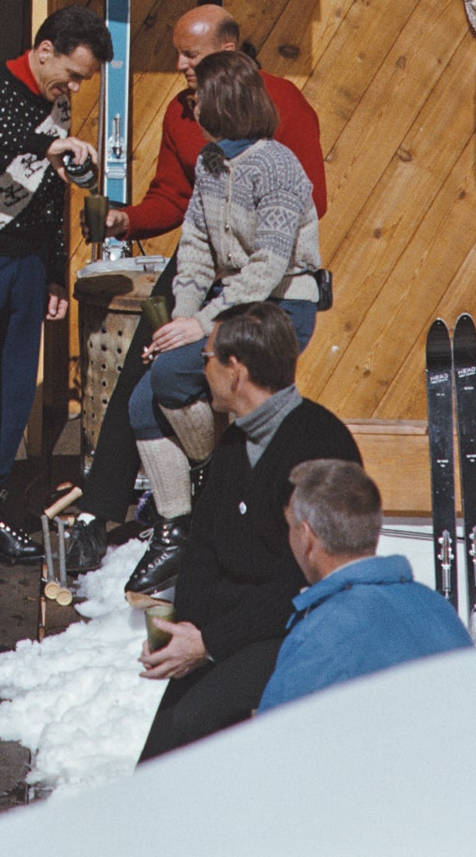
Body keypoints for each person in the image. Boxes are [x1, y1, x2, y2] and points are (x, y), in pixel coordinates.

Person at [68, 6, 326, 577]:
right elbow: (179, 209)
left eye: (191, 54)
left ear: (228, 52)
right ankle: (114, 512)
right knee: (146, 368)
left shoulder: (283, 113)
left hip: (266, 279)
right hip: (208, 268)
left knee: (200, 377)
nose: (181, 65)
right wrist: (128, 224)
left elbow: (291, 226)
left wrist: (208, 315)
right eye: (179, 53)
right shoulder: (192, 126)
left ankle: (212, 489)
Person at [125, 49, 325, 601]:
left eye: (198, 98)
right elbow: (193, 253)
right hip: (229, 305)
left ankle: (216, 487)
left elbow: (269, 265)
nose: (191, 107)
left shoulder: (277, 165)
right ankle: (177, 528)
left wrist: (201, 325)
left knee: (172, 377)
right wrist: (181, 322)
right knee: (143, 401)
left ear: (224, 102)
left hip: (279, 306)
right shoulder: (212, 162)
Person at [138, 303, 361, 760]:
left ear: (235, 369)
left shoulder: (321, 445)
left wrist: (209, 644)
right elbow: (202, 547)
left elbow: (310, 581)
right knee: (161, 753)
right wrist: (185, 630)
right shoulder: (235, 442)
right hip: (226, 633)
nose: (202, 369)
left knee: (192, 724)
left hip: (297, 632)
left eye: (206, 358)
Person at [0, 4, 112, 584]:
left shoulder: (56, 105)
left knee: (15, 397)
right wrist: (48, 146)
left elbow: (48, 196)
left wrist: (56, 271)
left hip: (28, 266)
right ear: (44, 51)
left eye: (84, 80)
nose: (75, 87)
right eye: (73, 74)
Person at [256, 459, 471, 712]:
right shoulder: (437, 608)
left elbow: (277, 732)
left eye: (290, 527)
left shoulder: (317, 637)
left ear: (306, 536)